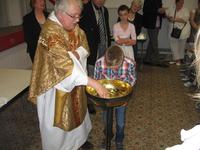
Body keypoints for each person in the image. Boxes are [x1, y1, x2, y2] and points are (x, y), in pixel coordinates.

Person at [28, 0, 108, 150]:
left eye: (79, 16)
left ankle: (78, 141)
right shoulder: (50, 32)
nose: (78, 20)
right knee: (59, 124)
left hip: (75, 83)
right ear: (60, 13)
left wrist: (77, 54)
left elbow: (84, 42)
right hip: (56, 86)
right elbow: (63, 66)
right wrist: (92, 82)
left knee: (78, 114)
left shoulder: (70, 23)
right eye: (74, 16)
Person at [94, 45, 137, 150]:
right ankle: (108, 137)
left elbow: (131, 82)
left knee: (121, 123)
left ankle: (119, 140)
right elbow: (96, 81)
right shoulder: (99, 63)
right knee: (106, 121)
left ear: (122, 59)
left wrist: (126, 99)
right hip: (105, 98)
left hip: (121, 98)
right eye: (110, 68)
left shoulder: (130, 64)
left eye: (116, 68)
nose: (113, 70)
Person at [79, 0, 111, 114]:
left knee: (102, 73)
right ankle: (89, 102)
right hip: (91, 47)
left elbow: (106, 28)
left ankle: (101, 94)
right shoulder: (85, 8)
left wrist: (108, 45)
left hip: (103, 45)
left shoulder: (104, 10)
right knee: (90, 74)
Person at [166, 0, 190, 66]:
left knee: (181, 46)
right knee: (173, 44)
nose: (182, 4)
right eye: (180, 2)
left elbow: (185, 19)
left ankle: (179, 59)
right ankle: (176, 59)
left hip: (183, 31)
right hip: (173, 30)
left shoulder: (186, 10)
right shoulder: (171, 8)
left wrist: (175, 19)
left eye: (183, 2)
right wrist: (169, 18)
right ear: (176, 2)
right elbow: (167, 15)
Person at [143, 0, 166, 65]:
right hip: (150, 24)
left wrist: (163, 12)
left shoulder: (159, 0)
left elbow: (161, 12)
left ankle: (147, 59)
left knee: (152, 42)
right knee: (154, 43)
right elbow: (145, 10)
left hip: (157, 23)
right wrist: (157, 10)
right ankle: (158, 60)